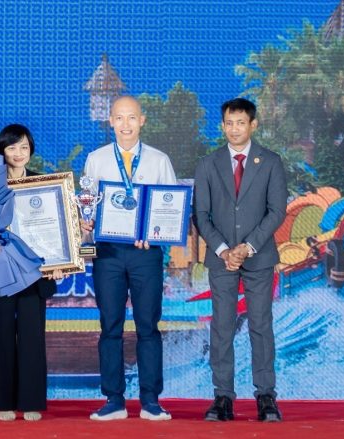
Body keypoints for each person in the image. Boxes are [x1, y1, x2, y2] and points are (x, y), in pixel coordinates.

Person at [81, 96, 176, 421]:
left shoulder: (159, 160)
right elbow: (87, 203)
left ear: (142, 120)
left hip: (145, 253)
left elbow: (171, 208)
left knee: (148, 325)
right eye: (119, 118)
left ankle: (150, 400)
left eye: (132, 117)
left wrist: (155, 232)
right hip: (108, 253)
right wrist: (86, 220)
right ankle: (114, 399)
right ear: (110, 121)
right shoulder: (96, 159)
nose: (126, 124)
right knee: (110, 326)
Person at [193, 98, 287, 422]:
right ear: (222, 126)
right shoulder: (208, 164)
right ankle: (223, 397)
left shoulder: (271, 162)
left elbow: (277, 212)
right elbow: (201, 214)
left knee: (260, 325)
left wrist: (247, 247)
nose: (234, 129)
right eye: (229, 123)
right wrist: (223, 250)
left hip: (259, 258)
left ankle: (266, 396)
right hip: (221, 259)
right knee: (222, 326)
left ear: (253, 125)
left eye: (241, 123)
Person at [0, 124, 64, 422]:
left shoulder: (44, 184)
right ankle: (3, 401)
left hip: (34, 271)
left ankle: (31, 400)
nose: (18, 153)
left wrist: (59, 261)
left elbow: (56, 229)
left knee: (32, 336)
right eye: (12, 147)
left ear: (31, 150)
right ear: (2, 151)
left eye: (24, 147)